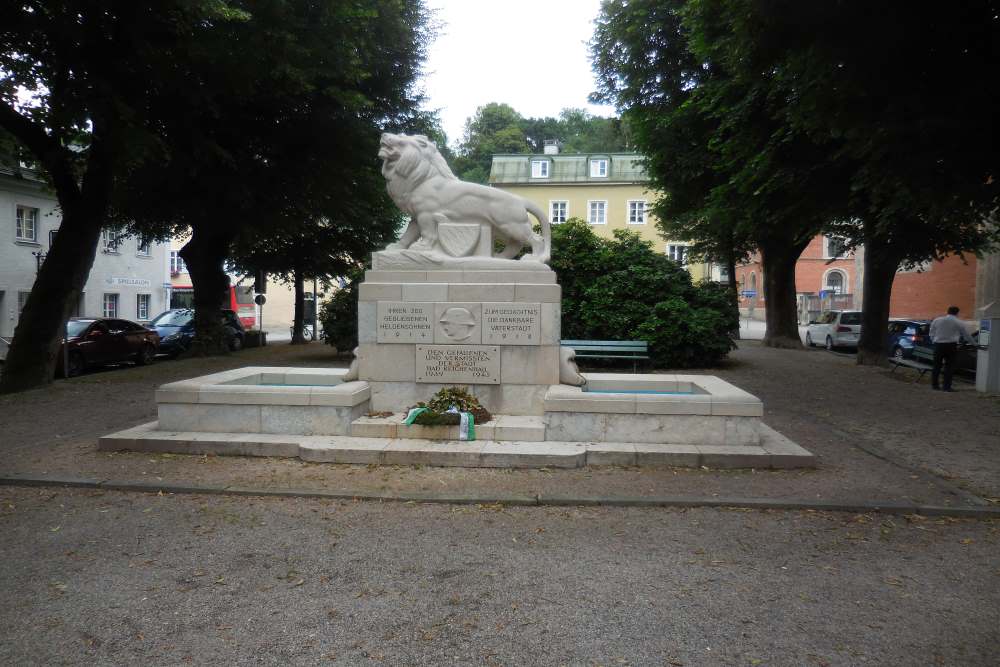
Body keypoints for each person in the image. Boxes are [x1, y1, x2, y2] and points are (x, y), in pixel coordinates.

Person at [928, 306, 973, 392]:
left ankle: (935, 385)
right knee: (949, 367)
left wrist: (934, 341)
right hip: (951, 346)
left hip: (938, 345)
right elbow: (966, 335)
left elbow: (931, 333)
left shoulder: (937, 320)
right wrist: (975, 344)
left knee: (936, 366)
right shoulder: (959, 322)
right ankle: (946, 387)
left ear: (947, 311)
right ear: (957, 313)